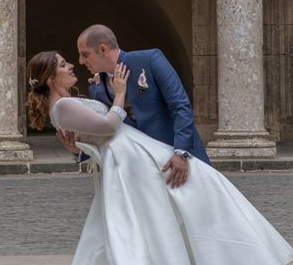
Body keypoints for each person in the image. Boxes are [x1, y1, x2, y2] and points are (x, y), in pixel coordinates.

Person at [0, 50, 293, 265]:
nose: (71, 66)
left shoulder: (69, 101)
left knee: (189, 204)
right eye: (64, 64)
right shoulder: (63, 106)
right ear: (51, 78)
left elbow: (93, 136)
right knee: (159, 226)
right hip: (129, 161)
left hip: (134, 154)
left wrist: (103, 96)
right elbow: (107, 127)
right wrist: (119, 91)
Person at [58, 24, 208, 189]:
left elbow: (181, 106)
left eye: (85, 55)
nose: (80, 61)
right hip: (142, 172)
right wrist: (79, 151)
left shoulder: (150, 60)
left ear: (102, 49)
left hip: (179, 159)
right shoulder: (97, 89)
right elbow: (107, 133)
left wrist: (181, 153)